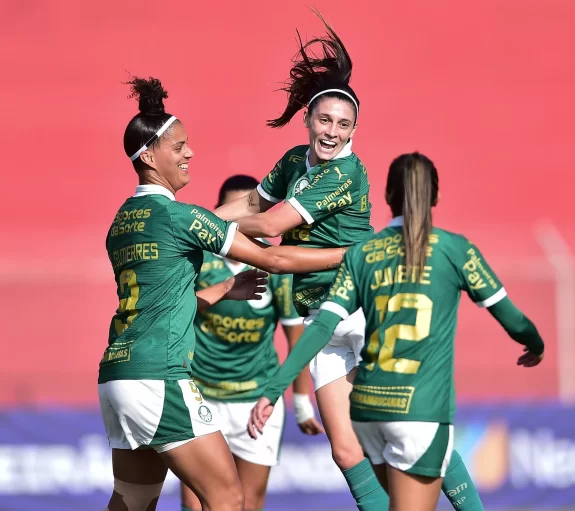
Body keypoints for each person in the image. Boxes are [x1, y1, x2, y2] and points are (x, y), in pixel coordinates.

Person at [100, 76, 347, 511]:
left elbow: (162, 302)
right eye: (179, 148)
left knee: (132, 502)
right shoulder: (181, 217)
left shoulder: (121, 221)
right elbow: (273, 258)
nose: (190, 153)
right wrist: (353, 254)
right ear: (148, 156)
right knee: (230, 499)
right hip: (161, 377)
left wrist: (223, 290)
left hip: (117, 375)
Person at [250, 152, 546, 511]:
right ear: (435, 198)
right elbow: (514, 321)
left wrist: (273, 389)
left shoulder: (362, 255)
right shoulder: (454, 249)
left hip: (368, 408)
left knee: (365, 471)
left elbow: (322, 325)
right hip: (419, 407)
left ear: (387, 197)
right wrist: (536, 345)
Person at [213, 12, 387, 510]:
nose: (333, 132)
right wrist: (193, 219)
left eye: (344, 124)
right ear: (309, 118)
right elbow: (252, 206)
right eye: (326, 120)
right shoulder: (294, 160)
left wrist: (204, 232)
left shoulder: (345, 174)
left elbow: (271, 232)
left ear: (355, 129)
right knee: (346, 450)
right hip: (322, 319)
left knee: (405, 436)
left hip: (363, 308)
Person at [180, 175, 324, 511]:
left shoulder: (276, 265)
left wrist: (302, 402)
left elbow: (296, 338)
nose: (243, 223)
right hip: (202, 398)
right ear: (220, 216)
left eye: (253, 213)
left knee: (247, 502)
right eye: (235, 214)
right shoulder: (199, 262)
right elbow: (177, 315)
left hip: (256, 401)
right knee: (196, 503)